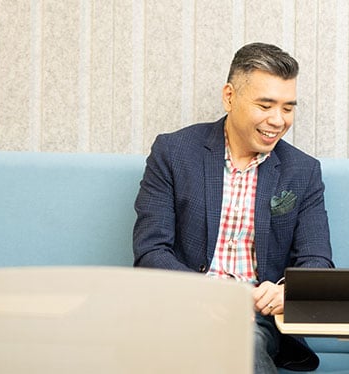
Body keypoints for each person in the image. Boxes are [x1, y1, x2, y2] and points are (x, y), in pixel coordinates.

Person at [132, 42, 334, 373]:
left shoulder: (303, 170)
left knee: (241, 344)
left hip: (253, 317)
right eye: (266, 104)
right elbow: (151, 251)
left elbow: (318, 261)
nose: (277, 120)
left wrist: (286, 291)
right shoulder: (173, 152)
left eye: (287, 108)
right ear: (229, 97)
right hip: (182, 305)